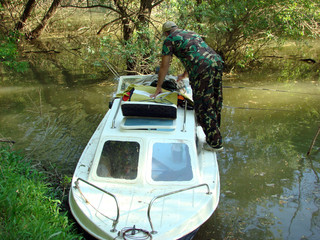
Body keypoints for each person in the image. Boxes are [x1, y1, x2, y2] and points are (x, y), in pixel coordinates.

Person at [151, 21, 224, 151]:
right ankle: (215, 134)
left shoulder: (169, 39)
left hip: (202, 70)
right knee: (215, 99)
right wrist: (185, 74)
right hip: (216, 62)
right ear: (176, 28)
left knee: (203, 104)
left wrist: (158, 88)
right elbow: (194, 54)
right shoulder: (191, 33)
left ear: (166, 33)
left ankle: (215, 143)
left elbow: (164, 66)